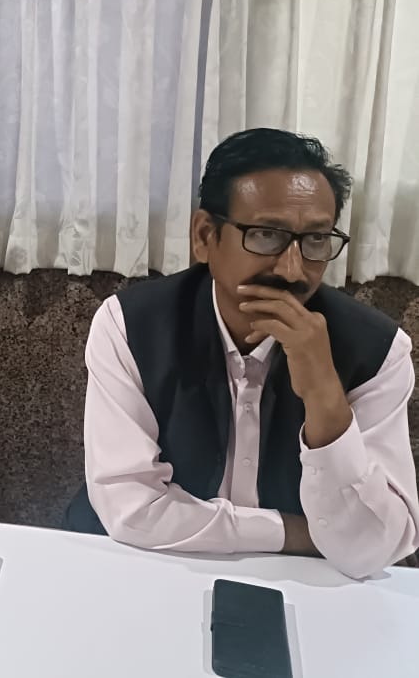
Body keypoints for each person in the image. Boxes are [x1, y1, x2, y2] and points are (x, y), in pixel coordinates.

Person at [66, 128, 419, 578]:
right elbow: (131, 509)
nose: (292, 269)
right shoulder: (130, 326)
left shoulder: (378, 351)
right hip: (142, 565)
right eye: (267, 234)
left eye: (315, 240)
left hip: (304, 583)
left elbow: (374, 547)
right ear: (204, 236)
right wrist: (296, 534)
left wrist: (325, 400)